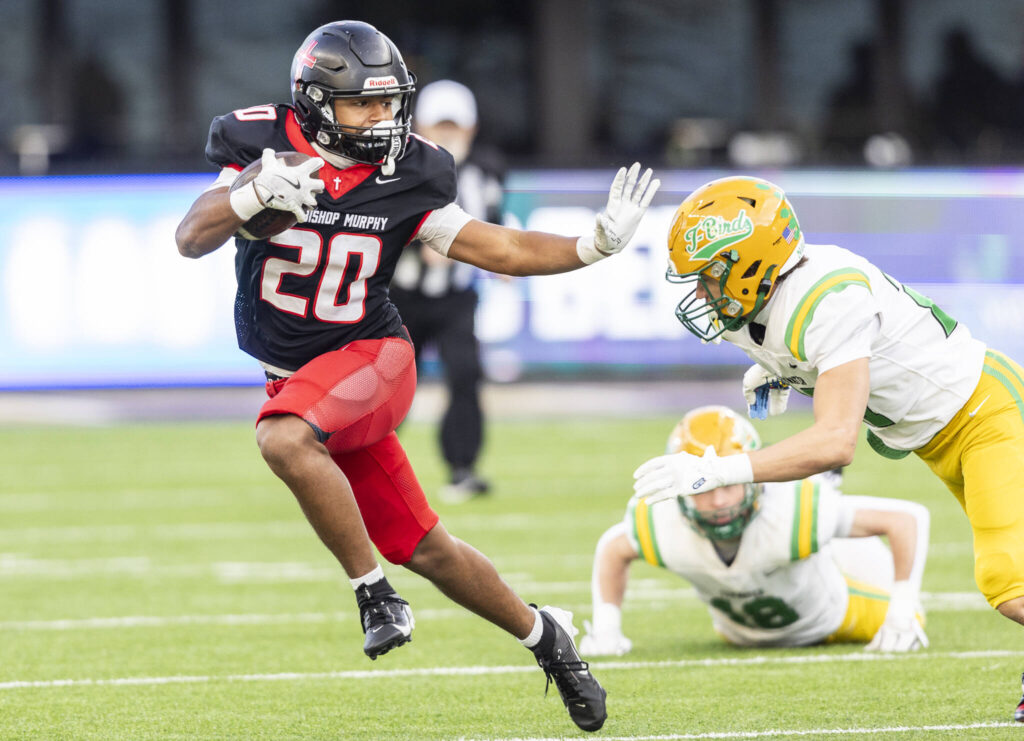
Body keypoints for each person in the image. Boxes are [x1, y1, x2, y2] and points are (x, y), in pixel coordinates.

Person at [174, 20, 659, 733]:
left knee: (281, 441)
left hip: (373, 359)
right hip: (303, 381)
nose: (382, 118)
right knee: (427, 546)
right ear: (313, 103)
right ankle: (548, 639)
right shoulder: (258, 144)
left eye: (389, 102)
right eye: (363, 105)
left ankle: (374, 594)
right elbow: (191, 237)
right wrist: (248, 195)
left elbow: (501, 248)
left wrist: (591, 244)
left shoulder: (414, 171)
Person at [632, 175, 1024, 721]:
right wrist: (781, 374)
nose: (701, 293)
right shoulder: (753, 307)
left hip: (986, 413)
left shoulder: (829, 295)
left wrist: (719, 471)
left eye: (711, 276)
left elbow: (836, 442)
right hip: (940, 435)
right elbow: (807, 353)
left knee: (1008, 582)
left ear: (751, 263)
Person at [580, 405, 930, 656]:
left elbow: (906, 519)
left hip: (828, 619)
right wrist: (607, 628)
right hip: (739, 635)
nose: (718, 501)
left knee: (911, 618)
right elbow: (614, 548)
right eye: (702, 488)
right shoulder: (660, 520)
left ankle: (825, 492)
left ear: (751, 479)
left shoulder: (793, 511)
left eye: (727, 484)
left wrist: (900, 611)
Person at [389, 80, 504, 503]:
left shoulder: (485, 171)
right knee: (390, 383)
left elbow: (494, 218)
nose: (449, 134)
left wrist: (500, 259)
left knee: (465, 373)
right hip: (401, 297)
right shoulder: (397, 167)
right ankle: (364, 464)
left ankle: (462, 468)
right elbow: (379, 224)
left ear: (471, 129)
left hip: (457, 298)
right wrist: (423, 246)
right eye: (441, 125)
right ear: (419, 126)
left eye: (456, 126)